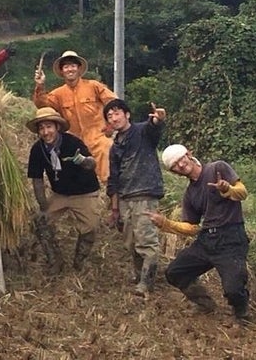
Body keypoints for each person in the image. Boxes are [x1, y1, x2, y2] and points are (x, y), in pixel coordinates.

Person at [146, 144, 250, 321]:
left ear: (189, 154)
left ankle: (242, 315)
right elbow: (192, 228)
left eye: (181, 159)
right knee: (175, 272)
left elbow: (243, 192)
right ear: (173, 172)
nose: (180, 165)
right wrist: (165, 224)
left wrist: (227, 189)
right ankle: (205, 304)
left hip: (231, 238)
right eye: (174, 165)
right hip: (207, 240)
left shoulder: (217, 168)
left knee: (233, 289)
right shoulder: (189, 194)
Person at [25, 107, 100, 273]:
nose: (46, 132)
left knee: (90, 228)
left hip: (84, 192)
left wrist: (82, 161)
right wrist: (43, 205)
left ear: (57, 127)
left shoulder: (73, 142)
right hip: (60, 193)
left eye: (49, 127)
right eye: (41, 128)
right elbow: (37, 179)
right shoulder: (37, 150)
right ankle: (55, 261)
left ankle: (80, 262)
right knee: (41, 222)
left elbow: (92, 164)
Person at [104, 98, 166, 295]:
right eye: (110, 116)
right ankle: (139, 274)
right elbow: (113, 179)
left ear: (127, 114)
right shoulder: (115, 146)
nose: (114, 118)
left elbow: (153, 128)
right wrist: (114, 208)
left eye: (117, 113)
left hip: (144, 193)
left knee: (146, 240)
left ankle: (147, 282)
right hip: (125, 197)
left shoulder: (141, 131)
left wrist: (158, 120)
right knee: (131, 241)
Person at [33, 50, 117, 183]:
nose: (70, 69)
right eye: (66, 67)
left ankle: (110, 190)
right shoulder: (58, 94)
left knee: (108, 152)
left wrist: (110, 125)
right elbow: (42, 105)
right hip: (74, 143)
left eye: (72, 65)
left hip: (98, 139)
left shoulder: (94, 86)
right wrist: (40, 85)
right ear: (62, 71)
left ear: (79, 68)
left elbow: (114, 103)